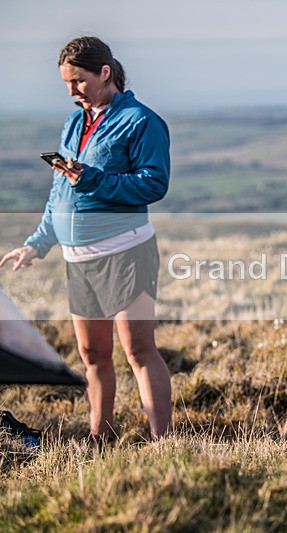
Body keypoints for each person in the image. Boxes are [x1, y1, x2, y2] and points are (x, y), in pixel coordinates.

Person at [0, 36, 172, 442]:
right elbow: (59, 192)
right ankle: (100, 437)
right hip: (78, 258)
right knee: (93, 356)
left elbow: (153, 184)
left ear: (105, 73)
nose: (72, 91)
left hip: (125, 251)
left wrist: (92, 179)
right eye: (66, 83)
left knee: (138, 351)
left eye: (78, 81)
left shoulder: (142, 121)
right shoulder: (74, 122)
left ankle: (162, 442)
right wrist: (38, 242)